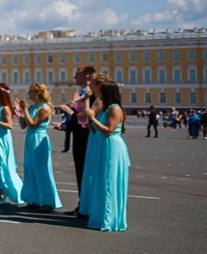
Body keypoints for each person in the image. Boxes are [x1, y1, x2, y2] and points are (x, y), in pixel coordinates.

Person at [79, 78, 130, 232]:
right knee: (102, 180)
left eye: (102, 91)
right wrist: (90, 124)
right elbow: (97, 130)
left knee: (108, 181)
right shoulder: (107, 108)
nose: (98, 94)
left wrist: (93, 118)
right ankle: (102, 215)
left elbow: (108, 131)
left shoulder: (114, 109)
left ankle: (109, 219)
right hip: (104, 146)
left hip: (112, 146)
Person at [16, 83, 62, 210]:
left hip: (39, 138)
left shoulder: (44, 108)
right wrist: (21, 112)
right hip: (30, 139)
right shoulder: (33, 107)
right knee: (30, 168)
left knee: (41, 170)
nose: (28, 93)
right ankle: (33, 199)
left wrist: (25, 110)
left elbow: (32, 124)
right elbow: (23, 125)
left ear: (38, 93)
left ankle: (47, 201)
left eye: (31, 91)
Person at [57, 66, 96, 217]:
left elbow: (86, 116)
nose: (74, 78)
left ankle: (86, 205)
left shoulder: (89, 93)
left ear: (86, 76)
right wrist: (66, 125)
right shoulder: (83, 92)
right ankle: (83, 203)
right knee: (81, 172)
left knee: (85, 171)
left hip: (86, 137)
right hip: (79, 136)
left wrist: (70, 112)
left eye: (77, 75)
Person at [0, 83, 23, 205]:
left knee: (2, 165)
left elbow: (10, 125)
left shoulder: (5, 108)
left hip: (2, 139)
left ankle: (6, 191)